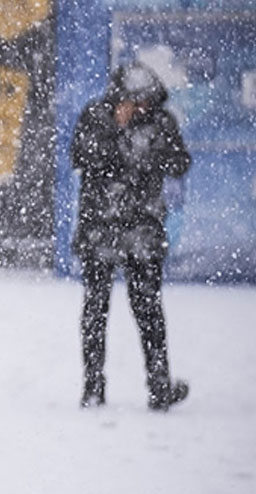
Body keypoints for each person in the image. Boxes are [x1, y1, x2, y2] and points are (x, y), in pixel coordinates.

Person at [71, 62, 191, 411]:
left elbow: (180, 162)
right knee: (96, 310)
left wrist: (151, 152)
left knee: (148, 310)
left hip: (142, 228)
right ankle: (93, 387)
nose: (140, 108)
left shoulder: (161, 122)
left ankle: (159, 387)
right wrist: (116, 132)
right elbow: (81, 157)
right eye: (135, 101)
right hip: (101, 228)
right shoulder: (96, 117)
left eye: (146, 102)